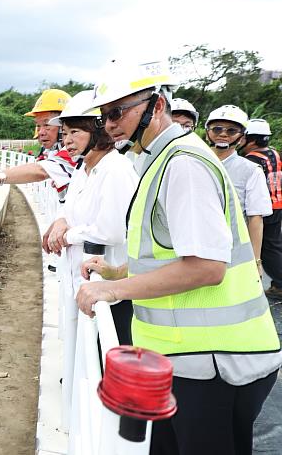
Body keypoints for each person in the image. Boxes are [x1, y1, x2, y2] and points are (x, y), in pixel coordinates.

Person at [75, 60, 281, 455]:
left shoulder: (183, 164)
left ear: (155, 106)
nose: (110, 124)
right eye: (104, 116)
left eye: (117, 112)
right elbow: (167, 252)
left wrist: (115, 289)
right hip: (187, 360)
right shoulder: (157, 160)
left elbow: (206, 267)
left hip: (220, 363)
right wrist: (117, 271)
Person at [43, 90, 137, 343]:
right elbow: (70, 207)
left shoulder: (115, 169)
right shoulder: (84, 168)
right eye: (64, 133)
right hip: (81, 279)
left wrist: (67, 235)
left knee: (104, 350)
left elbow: (113, 230)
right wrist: (61, 221)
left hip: (110, 288)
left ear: (98, 132)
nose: (67, 141)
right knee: (81, 348)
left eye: (75, 132)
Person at [0, 89, 76, 200]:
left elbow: (40, 171)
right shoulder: (56, 152)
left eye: (47, 125)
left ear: (65, 125)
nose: (41, 132)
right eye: (38, 125)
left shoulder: (75, 154)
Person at [204, 105, 271, 273]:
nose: (223, 134)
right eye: (217, 128)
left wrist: (255, 261)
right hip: (196, 248)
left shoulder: (250, 170)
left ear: (242, 138)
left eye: (232, 130)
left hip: (232, 252)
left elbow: (255, 217)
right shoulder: (193, 163)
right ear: (207, 133)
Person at [242, 118, 282, 299]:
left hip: (264, 209)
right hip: (278, 204)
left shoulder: (251, 160)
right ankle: (277, 283)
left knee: (267, 248)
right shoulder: (274, 153)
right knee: (275, 244)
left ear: (251, 140)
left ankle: (280, 284)